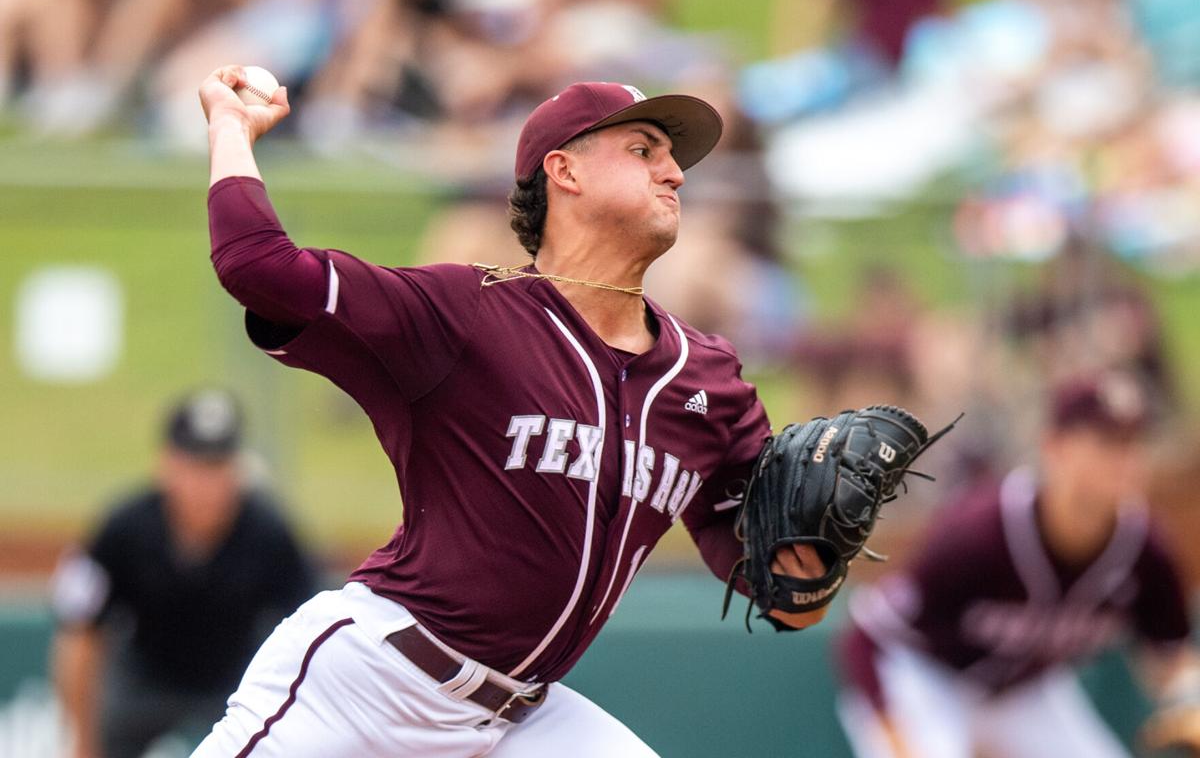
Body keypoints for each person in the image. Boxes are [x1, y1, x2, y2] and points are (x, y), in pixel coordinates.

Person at [193, 67, 833, 756]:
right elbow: (258, 266)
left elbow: (782, 593)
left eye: (673, 157)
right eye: (643, 150)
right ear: (565, 170)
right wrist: (230, 130)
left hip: (517, 720)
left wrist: (816, 552)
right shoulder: (463, 314)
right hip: (371, 686)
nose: (675, 173)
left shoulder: (709, 379)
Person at [834, 371, 1200, 758]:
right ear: (1054, 447)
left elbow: (1171, 654)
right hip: (926, 680)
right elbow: (868, 636)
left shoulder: (1144, 551)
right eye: (1106, 442)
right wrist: (895, 740)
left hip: (1024, 694)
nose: (1124, 460)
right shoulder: (980, 533)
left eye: (1133, 443)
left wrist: (1190, 702)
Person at [50, 388, 317, 758]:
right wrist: (81, 744)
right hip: (144, 682)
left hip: (235, 686)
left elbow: (310, 632)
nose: (207, 484)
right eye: (195, 465)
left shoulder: (270, 532)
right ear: (166, 464)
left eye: (218, 466)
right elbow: (78, 632)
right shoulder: (124, 528)